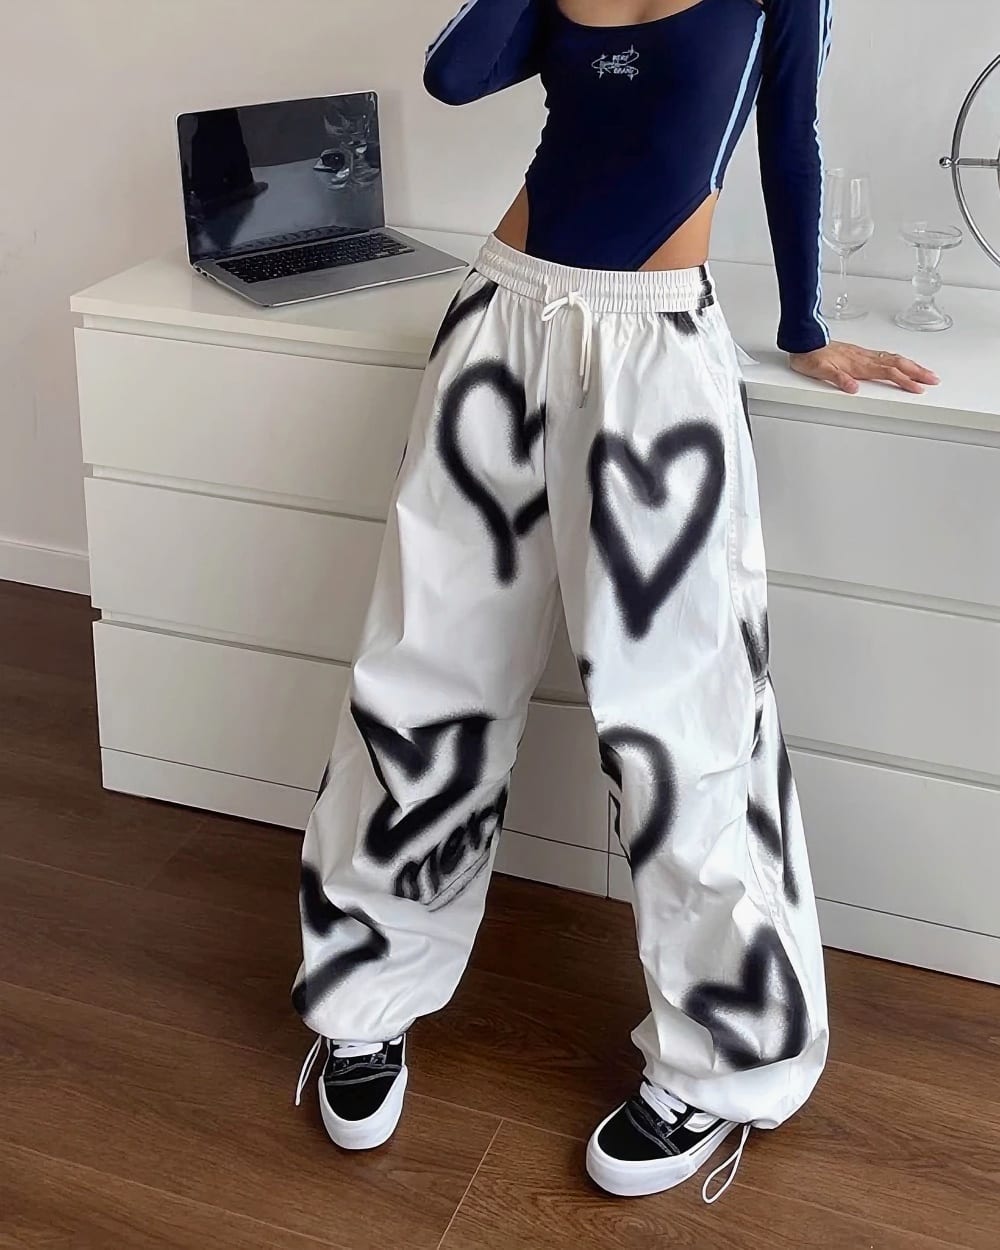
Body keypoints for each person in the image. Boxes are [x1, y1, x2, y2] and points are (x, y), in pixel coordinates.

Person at [292, 0, 938, 1204]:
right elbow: (453, 74)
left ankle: (725, 1055)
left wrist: (804, 326)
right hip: (501, 319)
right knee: (422, 669)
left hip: (658, 356)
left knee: (682, 716)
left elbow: (788, 137)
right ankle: (362, 989)